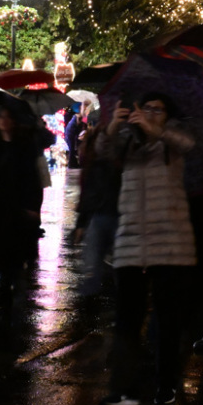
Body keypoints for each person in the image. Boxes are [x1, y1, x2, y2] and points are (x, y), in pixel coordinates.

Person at [97, 93, 196, 405]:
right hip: (131, 241)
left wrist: (155, 130)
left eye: (157, 109)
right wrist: (113, 125)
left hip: (170, 244)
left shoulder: (173, 139)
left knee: (168, 321)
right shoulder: (129, 141)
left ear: (167, 114)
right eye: (146, 108)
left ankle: (166, 385)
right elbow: (101, 152)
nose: (151, 113)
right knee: (127, 319)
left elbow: (188, 145)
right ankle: (124, 389)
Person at [0, 108, 45, 325]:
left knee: (12, 259)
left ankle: (0, 300)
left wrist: (33, 206)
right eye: (1, 116)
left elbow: (34, 178)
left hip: (18, 209)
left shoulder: (24, 146)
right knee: (2, 259)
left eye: (8, 116)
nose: (4, 120)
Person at [73, 110, 120, 295]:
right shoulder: (93, 149)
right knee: (94, 268)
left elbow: (87, 188)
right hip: (100, 213)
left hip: (114, 213)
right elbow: (88, 188)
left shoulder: (123, 144)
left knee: (102, 267)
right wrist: (81, 222)